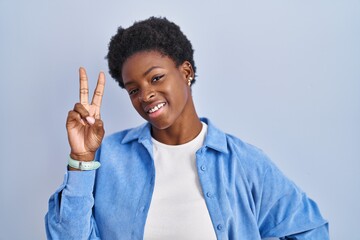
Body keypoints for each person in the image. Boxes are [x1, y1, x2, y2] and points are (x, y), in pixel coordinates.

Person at [45, 17, 329, 239]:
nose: (145, 95)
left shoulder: (243, 163)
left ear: (186, 72)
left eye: (155, 78)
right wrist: (81, 159)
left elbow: (310, 230)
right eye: (133, 90)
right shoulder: (108, 158)